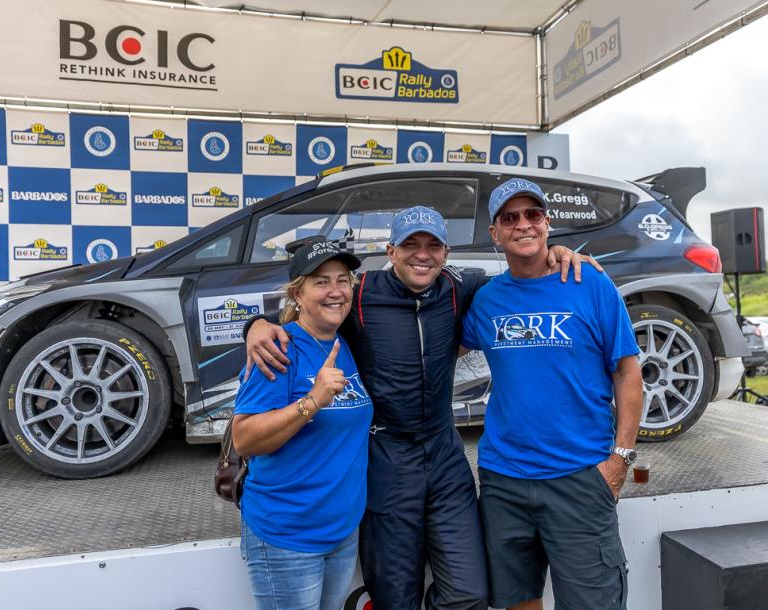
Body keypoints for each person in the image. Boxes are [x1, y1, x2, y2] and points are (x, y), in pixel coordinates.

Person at [244, 204, 601, 610]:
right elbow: (306, 310)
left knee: (469, 594)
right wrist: (254, 325)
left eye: (433, 245)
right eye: (411, 244)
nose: (422, 254)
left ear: (446, 253)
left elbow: (522, 276)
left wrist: (559, 253)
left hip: (444, 453)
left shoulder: (459, 288)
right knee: (395, 599)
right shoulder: (358, 295)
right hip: (388, 458)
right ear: (391, 250)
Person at [459, 178, 643, 610]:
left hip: (580, 477)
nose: (523, 225)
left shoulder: (590, 283)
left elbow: (628, 375)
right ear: (495, 233)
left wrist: (621, 460)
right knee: (517, 602)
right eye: (510, 217)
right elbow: (427, 332)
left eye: (533, 215)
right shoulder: (486, 301)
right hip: (504, 481)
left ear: (547, 223)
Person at [232, 237, 373, 610]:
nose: (335, 291)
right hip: (288, 537)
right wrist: (313, 401)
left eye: (342, 280)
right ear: (297, 292)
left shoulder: (344, 342)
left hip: (341, 535)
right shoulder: (278, 348)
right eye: (321, 281)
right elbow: (244, 438)